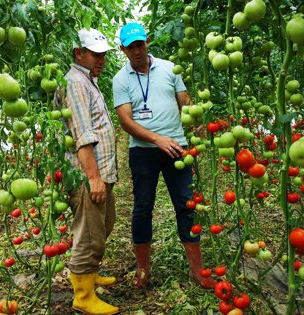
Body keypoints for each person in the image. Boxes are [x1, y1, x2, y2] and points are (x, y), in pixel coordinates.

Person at [112, 22, 216, 290]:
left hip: (178, 148)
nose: (136, 50)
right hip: (143, 152)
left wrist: (195, 123)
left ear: (147, 42)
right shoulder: (120, 79)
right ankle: (143, 271)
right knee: (142, 208)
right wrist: (157, 138)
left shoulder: (170, 68)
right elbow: (125, 121)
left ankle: (197, 269)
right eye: (130, 46)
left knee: (186, 205)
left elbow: (184, 100)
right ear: (123, 49)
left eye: (140, 44)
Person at [55, 27, 118, 315]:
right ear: (78, 54)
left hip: (100, 171)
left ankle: (89, 276)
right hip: (87, 174)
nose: (101, 59)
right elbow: (82, 133)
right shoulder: (75, 83)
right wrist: (93, 178)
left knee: (103, 225)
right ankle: (82, 295)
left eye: (103, 54)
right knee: (90, 234)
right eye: (95, 54)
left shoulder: (87, 80)